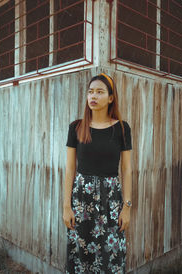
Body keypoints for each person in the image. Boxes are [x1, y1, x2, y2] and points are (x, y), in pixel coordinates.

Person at [63, 73, 133, 273]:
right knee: (81, 253)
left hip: (110, 200)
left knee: (111, 253)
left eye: (100, 92)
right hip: (81, 200)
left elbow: (127, 169)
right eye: (90, 91)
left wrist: (127, 207)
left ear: (111, 98)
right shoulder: (76, 128)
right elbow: (70, 168)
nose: (93, 96)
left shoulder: (121, 128)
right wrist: (66, 206)